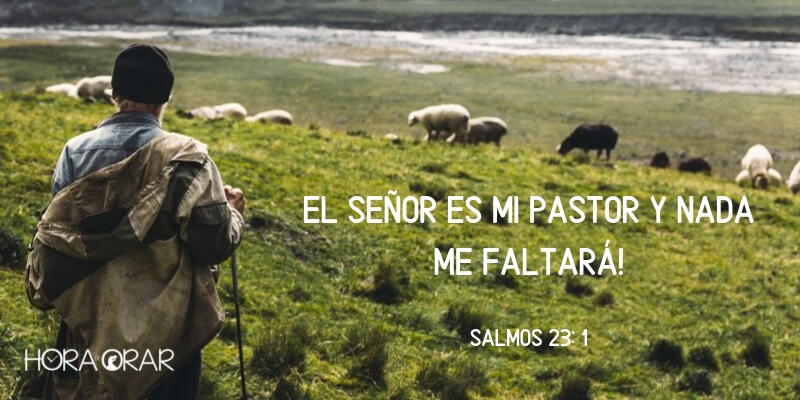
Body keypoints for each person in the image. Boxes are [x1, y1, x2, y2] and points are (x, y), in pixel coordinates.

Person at [25, 43, 245, 400]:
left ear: (114, 93)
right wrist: (233, 213)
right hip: (166, 340)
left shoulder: (74, 154)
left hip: (89, 328)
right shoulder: (190, 160)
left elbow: (59, 233)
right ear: (167, 98)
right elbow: (213, 245)